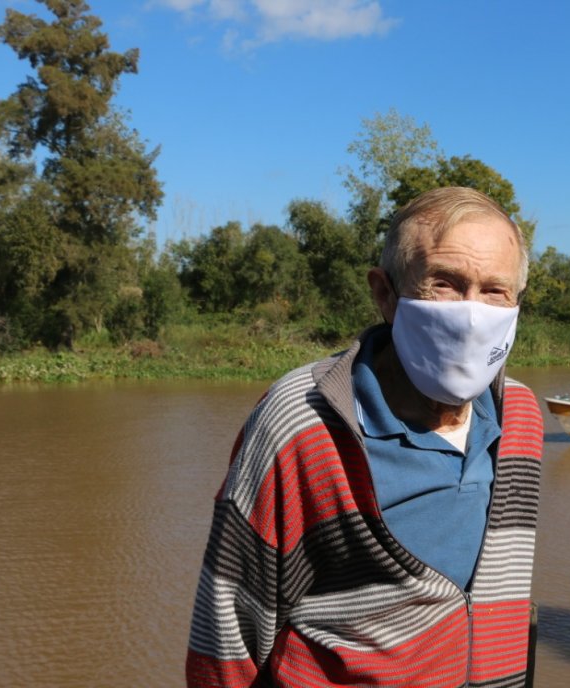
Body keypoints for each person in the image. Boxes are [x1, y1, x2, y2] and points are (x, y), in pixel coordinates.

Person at [185, 187, 544, 687]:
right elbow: (224, 640)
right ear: (384, 294)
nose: (471, 313)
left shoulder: (521, 416)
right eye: (444, 283)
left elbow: (505, 591)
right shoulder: (300, 425)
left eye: (494, 291)